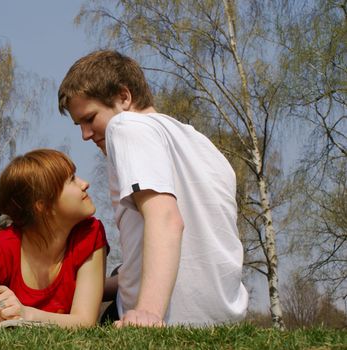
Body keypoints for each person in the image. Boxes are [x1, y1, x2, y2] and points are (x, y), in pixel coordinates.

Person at [58, 50, 248, 327]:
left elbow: (167, 219)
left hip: (165, 317)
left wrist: (148, 311)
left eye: (89, 119)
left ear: (124, 98)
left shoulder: (125, 127)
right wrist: (83, 290)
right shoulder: (204, 147)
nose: (85, 135)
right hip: (223, 318)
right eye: (79, 125)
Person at [0, 149, 108, 328]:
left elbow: (85, 321)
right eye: (71, 179)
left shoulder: (90, 235)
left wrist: (25, 314)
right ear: (42, 205)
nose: (85, 184)